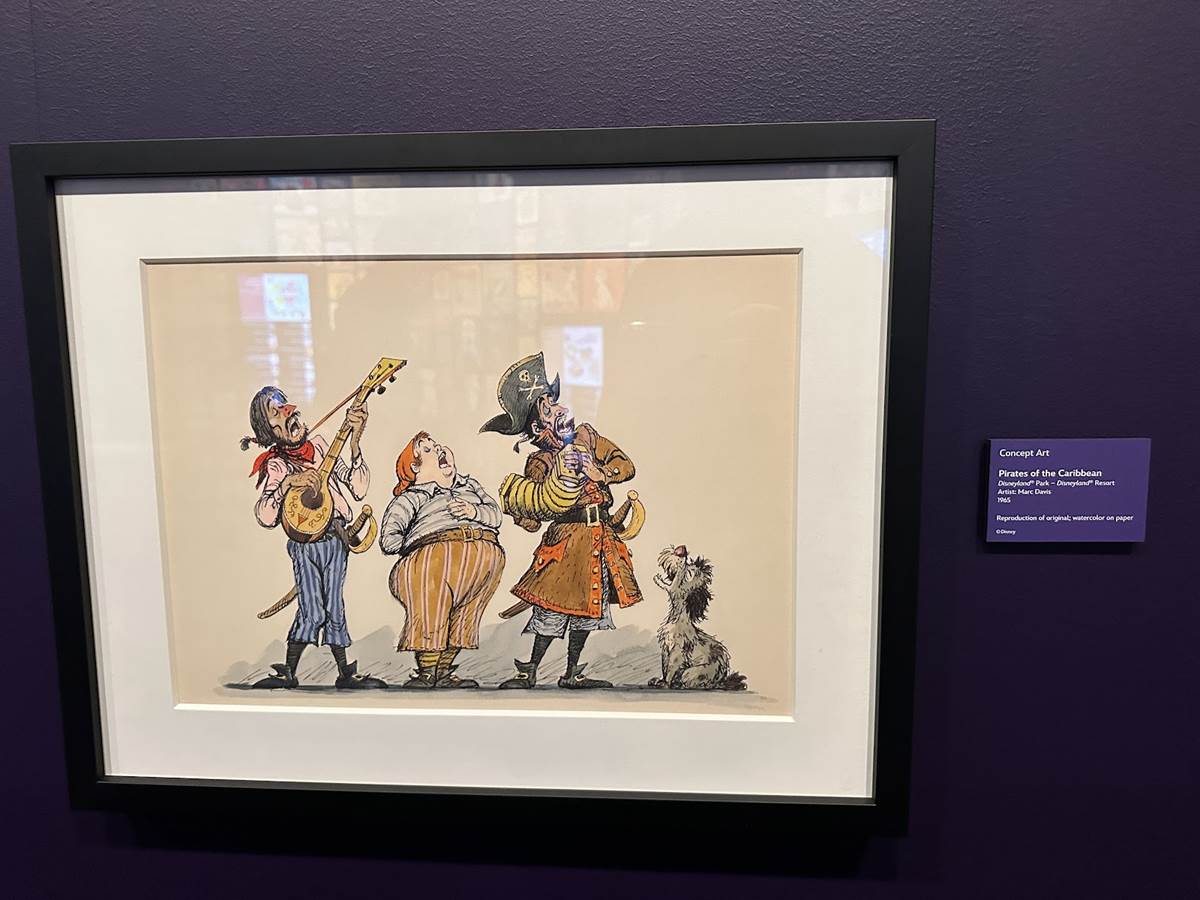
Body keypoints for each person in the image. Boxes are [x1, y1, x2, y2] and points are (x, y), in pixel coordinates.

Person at [480, 352, 642, 689]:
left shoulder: (588, 438)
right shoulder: (540, 462)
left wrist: (603, 473)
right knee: (552, 610)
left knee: (589, 609)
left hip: (599, 538)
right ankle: (530, 670)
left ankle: (571, 673)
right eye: (550, 409)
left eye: (556, 403)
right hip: (566, 544)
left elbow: (625, 465)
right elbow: (535, 513)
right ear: (538, 427)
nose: (562, 410)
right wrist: (522, 510)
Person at [241, 386, 386, 689]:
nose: (288, 412)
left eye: (286, 406)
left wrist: (355, 442)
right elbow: (265, 515)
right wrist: (288, 484)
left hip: (336, 539)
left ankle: (345, 674)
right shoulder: (278, 465)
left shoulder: (321, 446)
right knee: (312, 608)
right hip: (304, 546)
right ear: (269, 430)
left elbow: (358, 488)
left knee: (334, 605)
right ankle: (288, 671)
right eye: (276, 413)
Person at [379, 432, 505, 688]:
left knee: (464, 617)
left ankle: (444, 671)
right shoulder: (412, 497)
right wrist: (421, 544)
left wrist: (473, 511)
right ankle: (427, 671)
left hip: (484, 557)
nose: (438, 449)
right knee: (430, 610)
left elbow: (495, 515)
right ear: (415, 467)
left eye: (437, 445)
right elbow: (389, 540)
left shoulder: (470, 486)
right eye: (428, 450)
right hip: (433, 560)